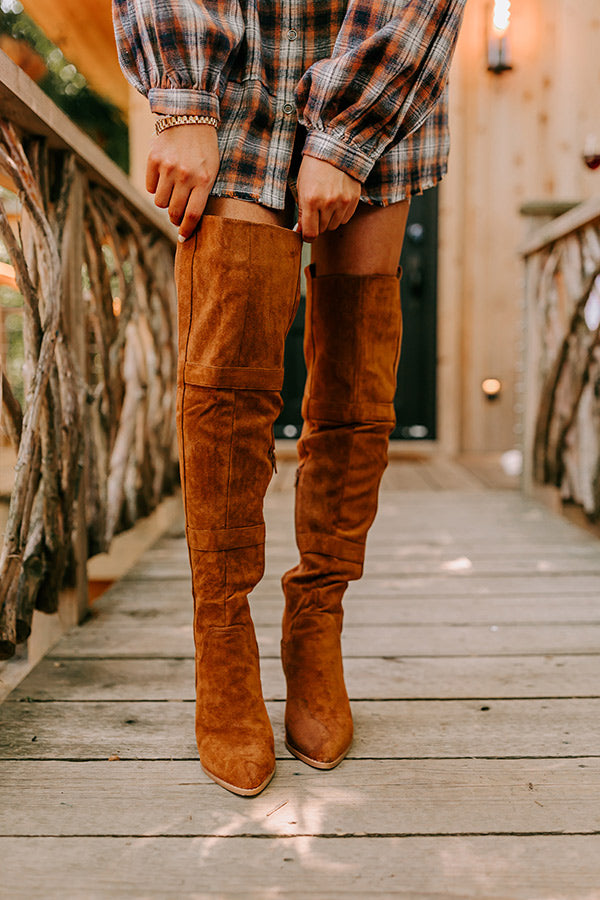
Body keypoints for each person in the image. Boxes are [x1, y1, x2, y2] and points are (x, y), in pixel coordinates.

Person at [113, 0, 466, 796]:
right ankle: (222, 631)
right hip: (236, 72)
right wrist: (183, 95)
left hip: (380, 72)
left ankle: (318, 619)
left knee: (355, 385)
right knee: (227, 382)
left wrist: (345, 135)